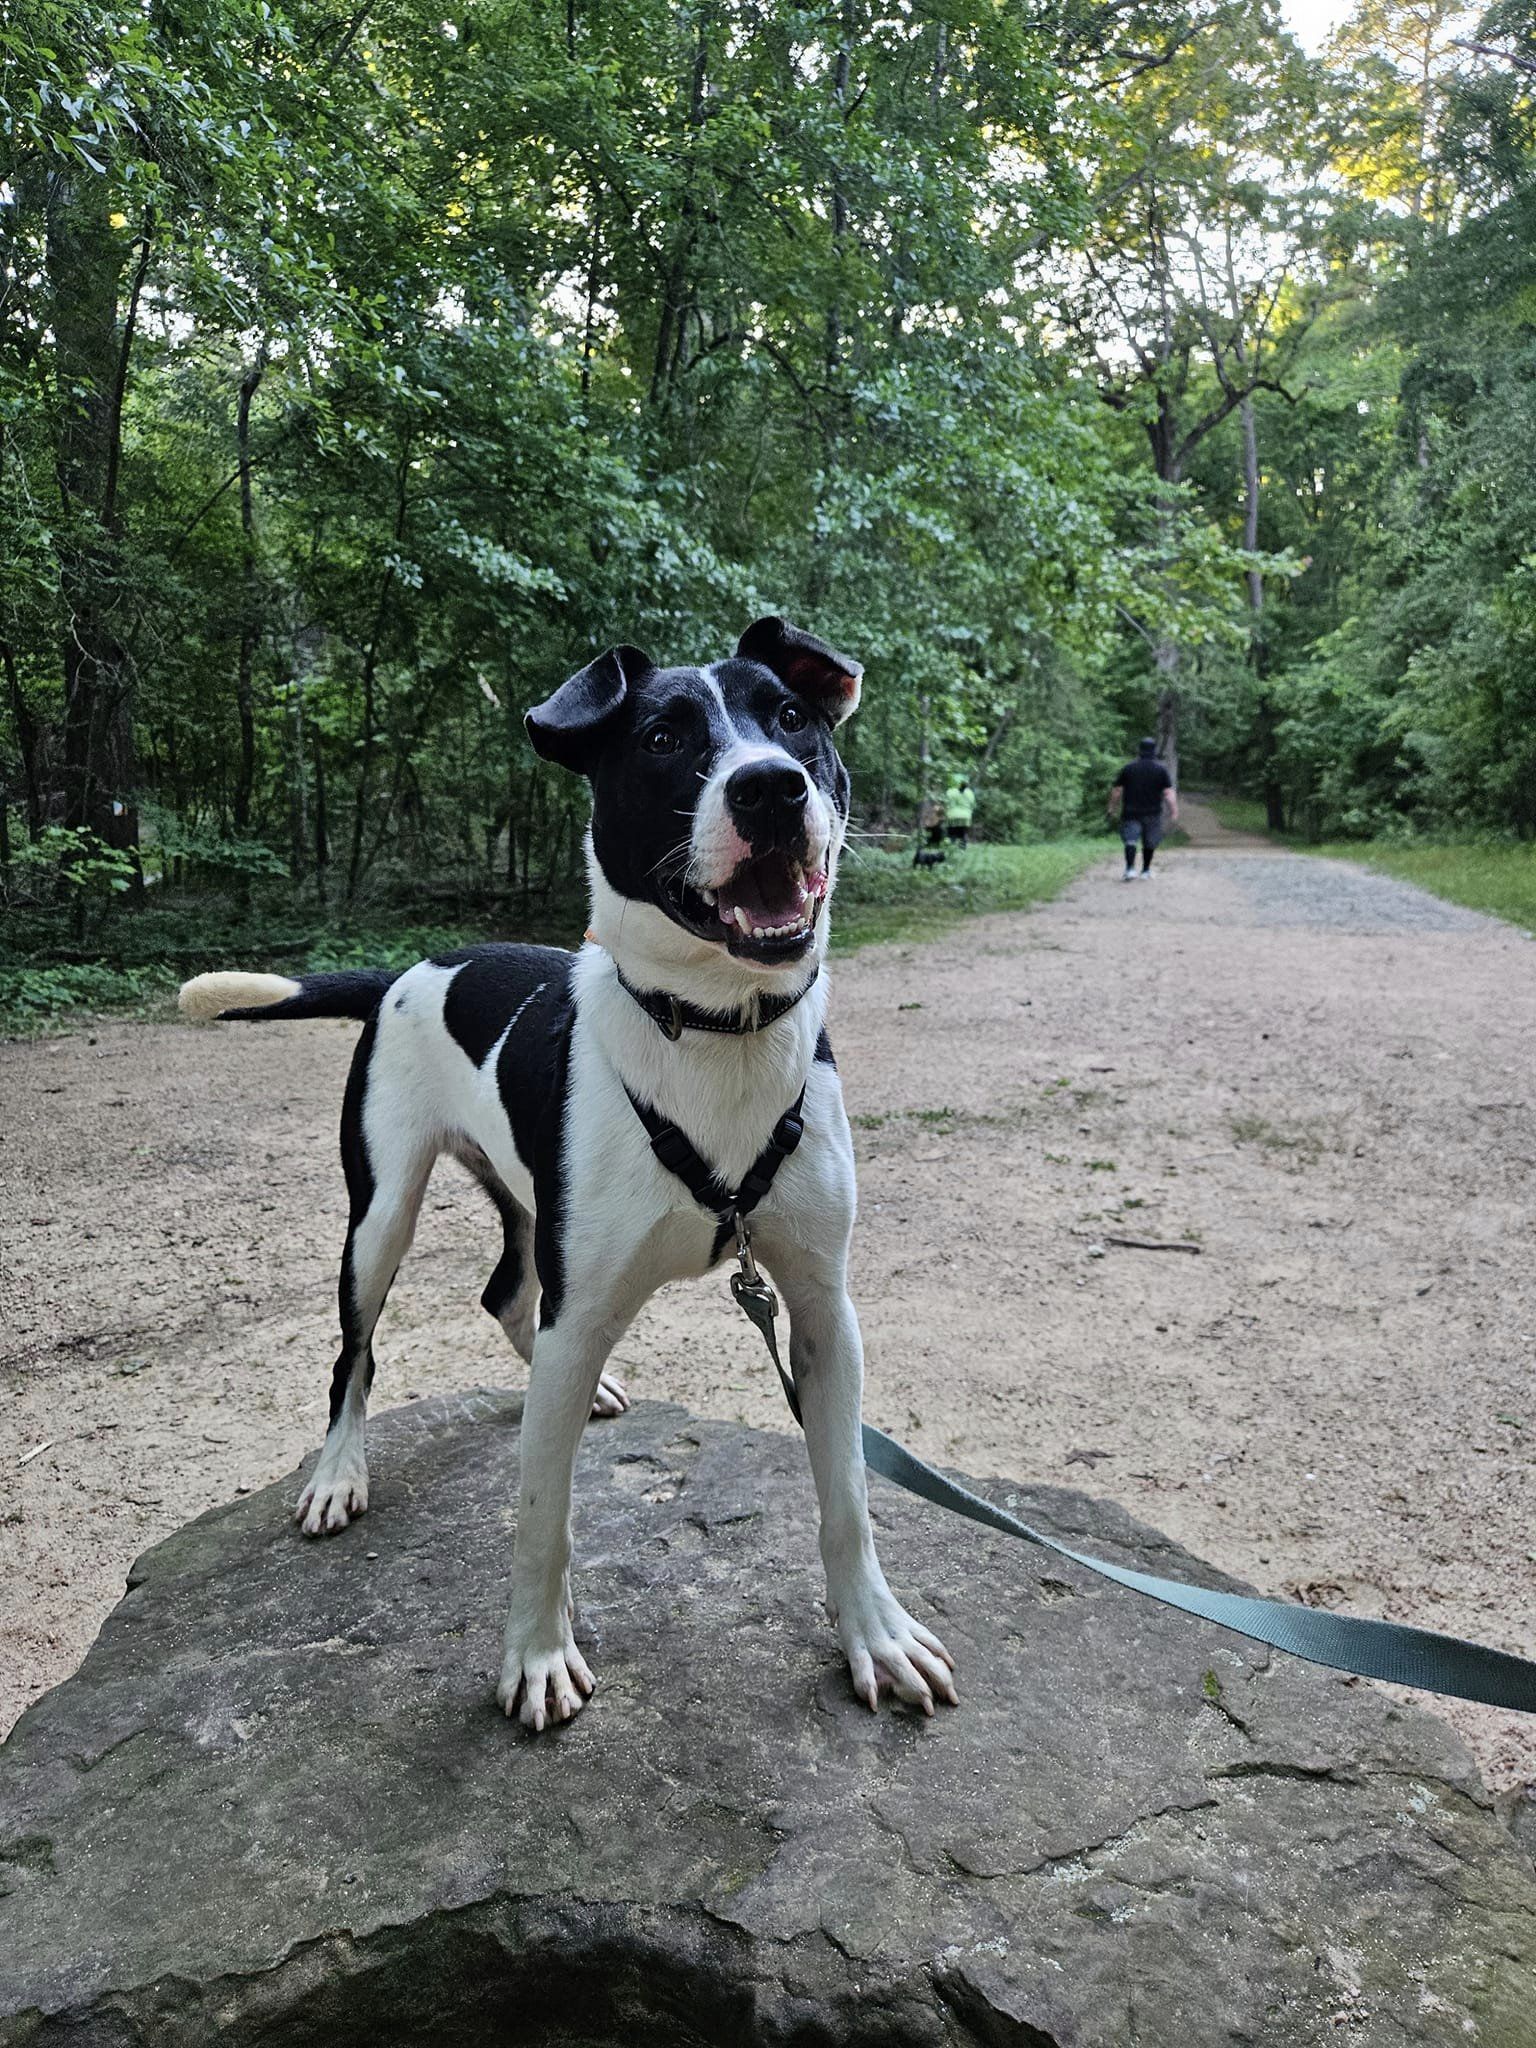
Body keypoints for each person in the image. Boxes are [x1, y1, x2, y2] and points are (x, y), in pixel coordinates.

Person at [1107, 738, 1176, 879]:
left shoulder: (1129, 768)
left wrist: (1111, 808)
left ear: (1139, 750)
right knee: (1149, 842)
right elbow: (1168, 793)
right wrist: (1173, 811)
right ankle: (1145, 871)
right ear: (1154, 751)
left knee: (1130, 840)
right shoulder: (1160, 770)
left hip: (1131, 812)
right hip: (1153, 812)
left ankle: (1130, 869)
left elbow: (1117, 791)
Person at [943, 775, 976, 846]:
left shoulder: (950, 791)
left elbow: (946, 804)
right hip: (966, 817)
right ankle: (962, 851)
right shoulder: (970, 792)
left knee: (951, 834)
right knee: (963, 834)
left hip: (952, 816)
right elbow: (973, 805)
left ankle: (949, 849)